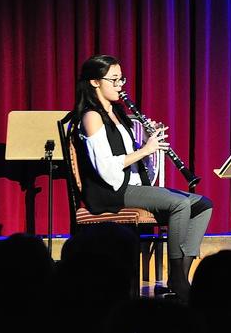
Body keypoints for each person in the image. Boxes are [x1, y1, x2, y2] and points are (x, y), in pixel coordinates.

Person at [69, 54, 212, 302]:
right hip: (110, 191)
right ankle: (178, 278)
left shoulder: (120, 114)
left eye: (121, 79)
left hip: (130, 185)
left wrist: (149, 145)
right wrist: (145, 149)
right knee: (178, 203)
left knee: (203, 205)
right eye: (113, 80)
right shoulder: (91, 117)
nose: (120, 85)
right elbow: (106, 171)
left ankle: (180, 275)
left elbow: (138, 165)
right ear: (94, 82)